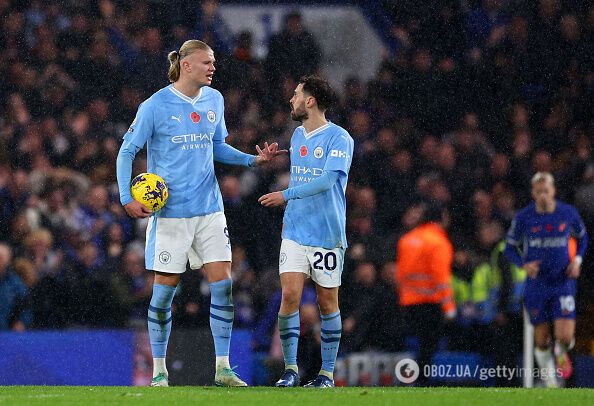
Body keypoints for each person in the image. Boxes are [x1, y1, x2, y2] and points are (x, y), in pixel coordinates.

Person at [116, 39, 286, 387]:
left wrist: (253, 160)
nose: (213, 67)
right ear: (186, 64)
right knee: (164, 293)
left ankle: (222, 368)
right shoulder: (155, 106)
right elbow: (126, 152)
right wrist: (125, 197)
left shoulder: (214, 100)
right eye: (207, 62)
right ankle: (159, 371)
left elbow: (218, 147)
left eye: (214, 62)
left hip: (210, 210)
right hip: (171, 216)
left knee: (223, 286)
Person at [259, 75, 354, 388]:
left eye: (296, 94)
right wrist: (276, 159)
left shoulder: (340, 139)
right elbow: (303, 166)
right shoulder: (298, 136)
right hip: (295, 230)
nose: (292, 99)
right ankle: (290, 369)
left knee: (327, 303)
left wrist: (284, 194)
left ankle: (326, 374)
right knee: (289, 295)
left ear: (310, 100)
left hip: (327, 233)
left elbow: (327, 180)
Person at [504, 172, 588, 387]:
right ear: (533, 193)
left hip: (563, 282)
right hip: (537, 284)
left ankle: (561, 351)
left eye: (546, 191)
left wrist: (577, 261)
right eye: (538, 191)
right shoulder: (523, 217)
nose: (542, 195)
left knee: (565, 337)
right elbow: (509, 247)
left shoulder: (567, 213)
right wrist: (524, 264)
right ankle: (550, 381)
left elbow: (583, 237)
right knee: (541, 340)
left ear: (553, 192)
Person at [395, 203, 455, 386]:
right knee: (429, 345)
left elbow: (400, 275)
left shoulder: (407, 239)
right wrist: (449, 307)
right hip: (430, 302)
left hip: (408, 301)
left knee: (419, 343)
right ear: (442, 218)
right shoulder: (438, 242)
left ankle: (416, 378)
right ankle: (421, 379)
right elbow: (441, 278)